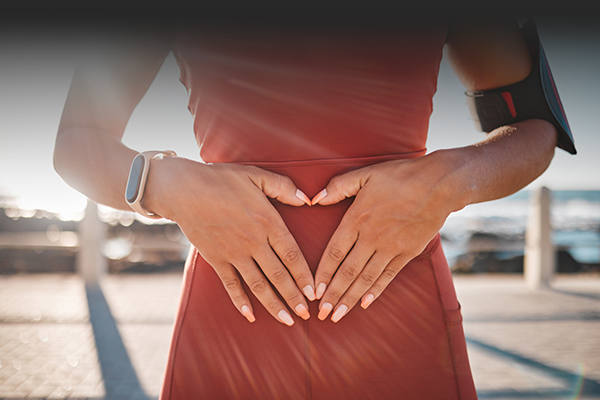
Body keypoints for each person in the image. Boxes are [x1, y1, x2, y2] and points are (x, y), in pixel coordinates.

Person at [54, 10, 566, 400]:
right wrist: (166, 183)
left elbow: (536, 128)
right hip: (236, 315)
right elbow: (76, 142)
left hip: (399, 312)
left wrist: (453, 176)